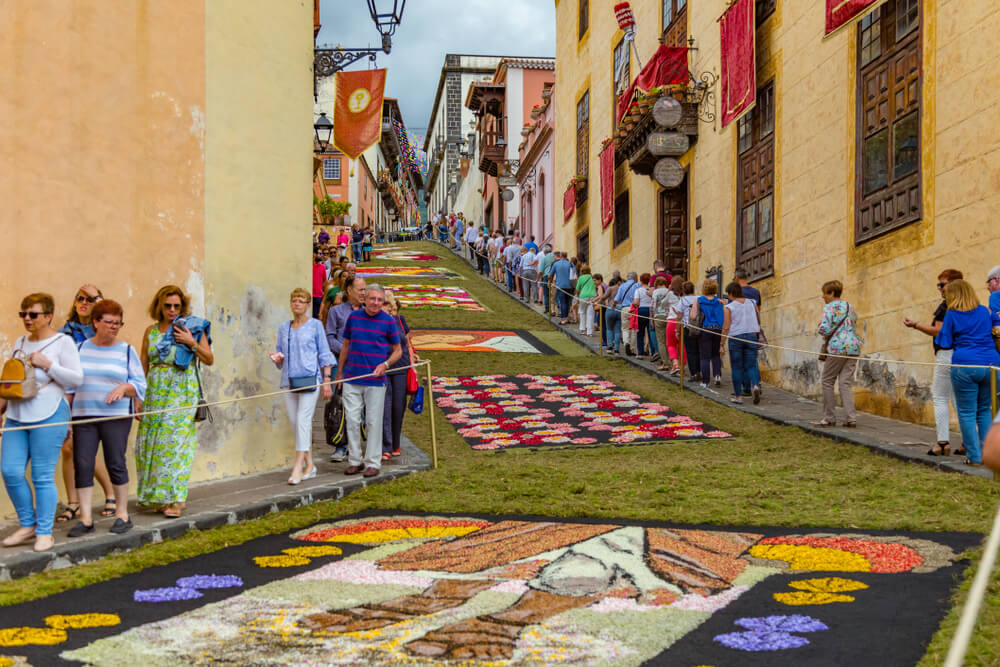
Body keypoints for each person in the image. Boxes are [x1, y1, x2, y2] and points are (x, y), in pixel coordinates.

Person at [1, 294, 83, 552]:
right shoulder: (20, 342)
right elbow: (12, 381)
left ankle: (45, 531)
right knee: (10, 471)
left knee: (42, 475)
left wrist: (47, 365)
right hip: (16, 415)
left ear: (48, 316)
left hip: (50, 412)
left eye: (33, 314)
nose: (27, 319)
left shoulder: (63, 342)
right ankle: (28, 524)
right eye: (23, 314)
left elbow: (77, 379)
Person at [67, 299, 145, 537]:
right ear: (95, 322)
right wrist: (66, 416)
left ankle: (122, 514)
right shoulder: (79, 349)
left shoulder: (127, 350)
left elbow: (140, 384)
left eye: (118, 323)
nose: (114, 327)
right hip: (83, 415)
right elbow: (69, 386)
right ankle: (86, 519)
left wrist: (124, 388)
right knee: (83, 463)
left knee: (115, 462)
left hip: (116, 416)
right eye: (109, 322)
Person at [136, 285, 214, 518]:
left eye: (176, 306)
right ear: (159, 306)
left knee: (177, 444)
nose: (172, 310)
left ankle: (178, 498)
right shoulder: (150, 331)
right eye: (167, 305)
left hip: (181, 392)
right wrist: (139, 398)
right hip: (155, 392)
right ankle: (160, 496)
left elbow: (209, 359)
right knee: (153, 445)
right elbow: (143, 364)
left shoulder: (191, 327)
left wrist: (191, 342)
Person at [56, 284, 115, 524]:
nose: (83, 302)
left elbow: (110, 353)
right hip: (69, 392)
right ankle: (73, 502)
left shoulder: (102, 329)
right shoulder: (65, 332)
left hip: (94, 392)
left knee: (82, 446)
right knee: (68, 446)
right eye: (80, 298)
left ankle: (110, 492)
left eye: (90, 299)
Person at [335, 284, 402, 478]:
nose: (376, 303)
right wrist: (339, 373)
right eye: (373, 299)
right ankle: (355, 460)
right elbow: (346, 345)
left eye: (380, 300)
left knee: (373, 421)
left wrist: (386, 365)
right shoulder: (353, 318)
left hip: (375, 380)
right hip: (352, 377)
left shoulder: (388, 321)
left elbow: (398, 350)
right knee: (352, 420)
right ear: (365, 299)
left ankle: (373, 462)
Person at [273, 288, 335, 485]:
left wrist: (327, 380)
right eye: (294, 300)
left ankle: (298, 465)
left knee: (302, 420)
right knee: (296, 423)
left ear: (308, 305)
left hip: (310, 379)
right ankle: (310, 464)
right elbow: (280, 353)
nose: (297, 304)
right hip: (289, 380)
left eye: (301, 301)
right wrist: (278, 359)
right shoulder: (284, 328)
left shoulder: (315, 325)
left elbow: (324, 353)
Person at [935, 279, 1000, 467]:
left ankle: (974, 456)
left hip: (965, 364)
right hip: (991, 364)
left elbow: (944, 342)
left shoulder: (952, 314)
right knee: (984, 410)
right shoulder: (984, 311)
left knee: (966, 412)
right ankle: (988, 454)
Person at [903, 269, 963, 456]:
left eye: (942, 284)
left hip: (946, 354)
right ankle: (968, 442)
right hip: (963, 355)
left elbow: (939, 331)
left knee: (940, 397)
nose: (940, 288)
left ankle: (943, 442)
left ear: (953, 284)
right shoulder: (969, 305)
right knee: (960, 400)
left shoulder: (946, 307)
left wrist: (916, 325)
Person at [325, 276, 367, 462]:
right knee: (340, 404)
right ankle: (340, 445)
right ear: (349, 291)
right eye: (360, 290)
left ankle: (354, 445)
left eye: (365, 289)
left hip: (363, 364)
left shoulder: (369, 312)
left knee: (361, 405)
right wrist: (345, 350)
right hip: (341, 364)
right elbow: (329, 337)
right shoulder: (336, 311)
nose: (364, 293)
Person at [813, 280, 861, 428]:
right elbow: (853, 323)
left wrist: (819, 325)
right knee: (845, 383)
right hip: (853, 347)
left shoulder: (829, 307)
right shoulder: (850, 307)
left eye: (825, 293)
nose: (823, 296)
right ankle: (851, 418)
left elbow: (825, 330)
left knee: (827, 380)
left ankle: (829, 418)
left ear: (832, 293)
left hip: (837, 347)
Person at [381, 291, 415, 460]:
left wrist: (413, 365)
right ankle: (385, 446)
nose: (387, 306)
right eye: (384, 303)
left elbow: (407, 344)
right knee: (385, 408)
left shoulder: (400, 320)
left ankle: (395, 443)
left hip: (402, 367)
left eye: (389, 303)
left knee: (398, 407)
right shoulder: (378, 321)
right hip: (383, 368)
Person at [721, 282, 762, 404]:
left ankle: (738, 396)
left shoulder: (729, 307)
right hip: (751, 336)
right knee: (751, 365)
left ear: (731, 293)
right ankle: (755, 385)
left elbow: (726, 327)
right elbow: (758, 319)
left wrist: (721, 344)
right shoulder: (752, 302)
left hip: (736, 337)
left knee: (737, 367)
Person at [691, 280, 724, 387]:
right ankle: (717, 375)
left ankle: (705, 381)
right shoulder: (719, 301)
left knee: (704, 356)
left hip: (705, 329)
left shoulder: (699, 300)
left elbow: (693, 316)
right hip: (717, 328)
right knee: (715, 354)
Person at [652, 277, 680, 373]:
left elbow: (653, 306)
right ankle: (675, 362)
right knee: (671, 341)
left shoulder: (655, 292)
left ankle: (666, 363)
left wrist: (652, 318)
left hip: (658, 316)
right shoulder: (671, 291)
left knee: (661, 341)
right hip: (669, 317)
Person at [676, 281, 701, 379]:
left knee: (690, 351)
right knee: (698, 350)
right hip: (698, 327)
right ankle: (699, 371)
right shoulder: (699, 298)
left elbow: (679, 316)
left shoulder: (682, 300)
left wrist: (677, 330)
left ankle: (693, 373)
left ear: (684, 290)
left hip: (687, 327)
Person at [633, 273, 659, 359]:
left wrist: (634, 305)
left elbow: (636, 302)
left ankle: (640, 353)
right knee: (651, 332)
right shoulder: (652, 290)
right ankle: (653, 352)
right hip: (651, 311)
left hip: (641, 310)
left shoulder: (638, 290)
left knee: (640, 333)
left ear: (641, 281)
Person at [615, 272, 640, 356]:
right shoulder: (637, 285)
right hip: (634, 309)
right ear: (635, 278)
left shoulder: (622, 286)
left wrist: (613, 305)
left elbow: (617, 299)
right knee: (633, 329)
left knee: (625, 328)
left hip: (624, 308)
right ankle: (632, 349)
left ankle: (626, 343)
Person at [601, 276, 622, 354]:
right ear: (619, 282)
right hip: (620, 308)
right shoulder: (622, 288)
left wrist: (598, 300)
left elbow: (603, 297)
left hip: (611, 308)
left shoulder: (610, 288)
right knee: (618, 330)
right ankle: (616, 348)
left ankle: (610, 346)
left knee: (609, 328)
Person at [551, 252, 573, 323]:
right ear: (566, 256)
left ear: (560, 256)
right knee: (568, 303)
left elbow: (550, 274)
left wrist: (549, 281)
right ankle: (567, 317)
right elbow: (574, 274)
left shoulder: (556, 264)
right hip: (569, 286)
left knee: (563, 302)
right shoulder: (570, 264)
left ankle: (564, 318)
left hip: (560, 286)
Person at [575, 265, 597, 336]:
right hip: (592, 296)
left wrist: (576, 296)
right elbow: (596, 286)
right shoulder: (592, 277)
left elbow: (577, 289)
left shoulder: (581, 278)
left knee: (582, 312)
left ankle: (582, 329)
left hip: (583, 296)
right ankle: (589, 332)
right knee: (590, 314)